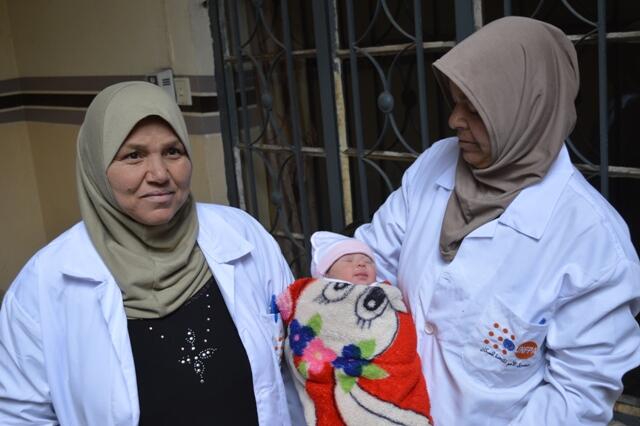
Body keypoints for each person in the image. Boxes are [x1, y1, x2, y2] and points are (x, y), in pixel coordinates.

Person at [355, 16, 640, 425]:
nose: (455, 120)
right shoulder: (436, 163)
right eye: (455, 102)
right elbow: (371, 259)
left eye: (475, 109)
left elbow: (575, 399)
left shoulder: (592, 242)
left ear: (529, 109)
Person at [0, 81, 299, 425]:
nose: (159, 174)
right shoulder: (45, 283)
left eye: (173, 151)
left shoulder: (242, 237)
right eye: (133, 155)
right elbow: (19, 417)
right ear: (96, 167)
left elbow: (297, 361)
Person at [277, 231, 432, 425]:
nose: (360, 264)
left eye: (368, 260)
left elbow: (402, 341)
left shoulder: (386, 295)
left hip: (391, 385)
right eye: (348, 260)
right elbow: (304, 332)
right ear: (326, 273)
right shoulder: (315, 296)